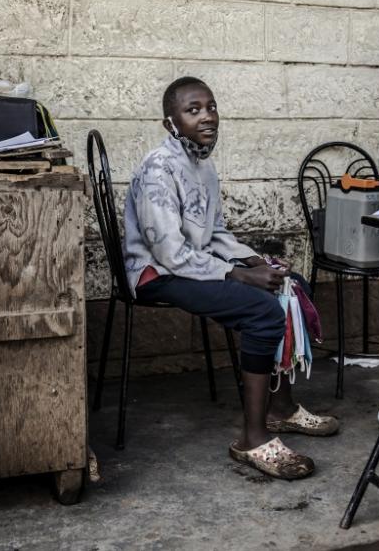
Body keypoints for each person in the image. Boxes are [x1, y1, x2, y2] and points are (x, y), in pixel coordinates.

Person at [123, 76, 338, 480]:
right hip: (158, 274)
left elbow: (216, 233)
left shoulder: (202, 165)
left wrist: (258, 261)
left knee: (291, 287)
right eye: (193, 110)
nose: (207, 117)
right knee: (261, 309)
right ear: (170, 122)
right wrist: (238, 276)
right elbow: (169, 253)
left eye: (211, 107)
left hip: (193, 264)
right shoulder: (158, 169)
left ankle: (281, 409)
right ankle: (252, 439)